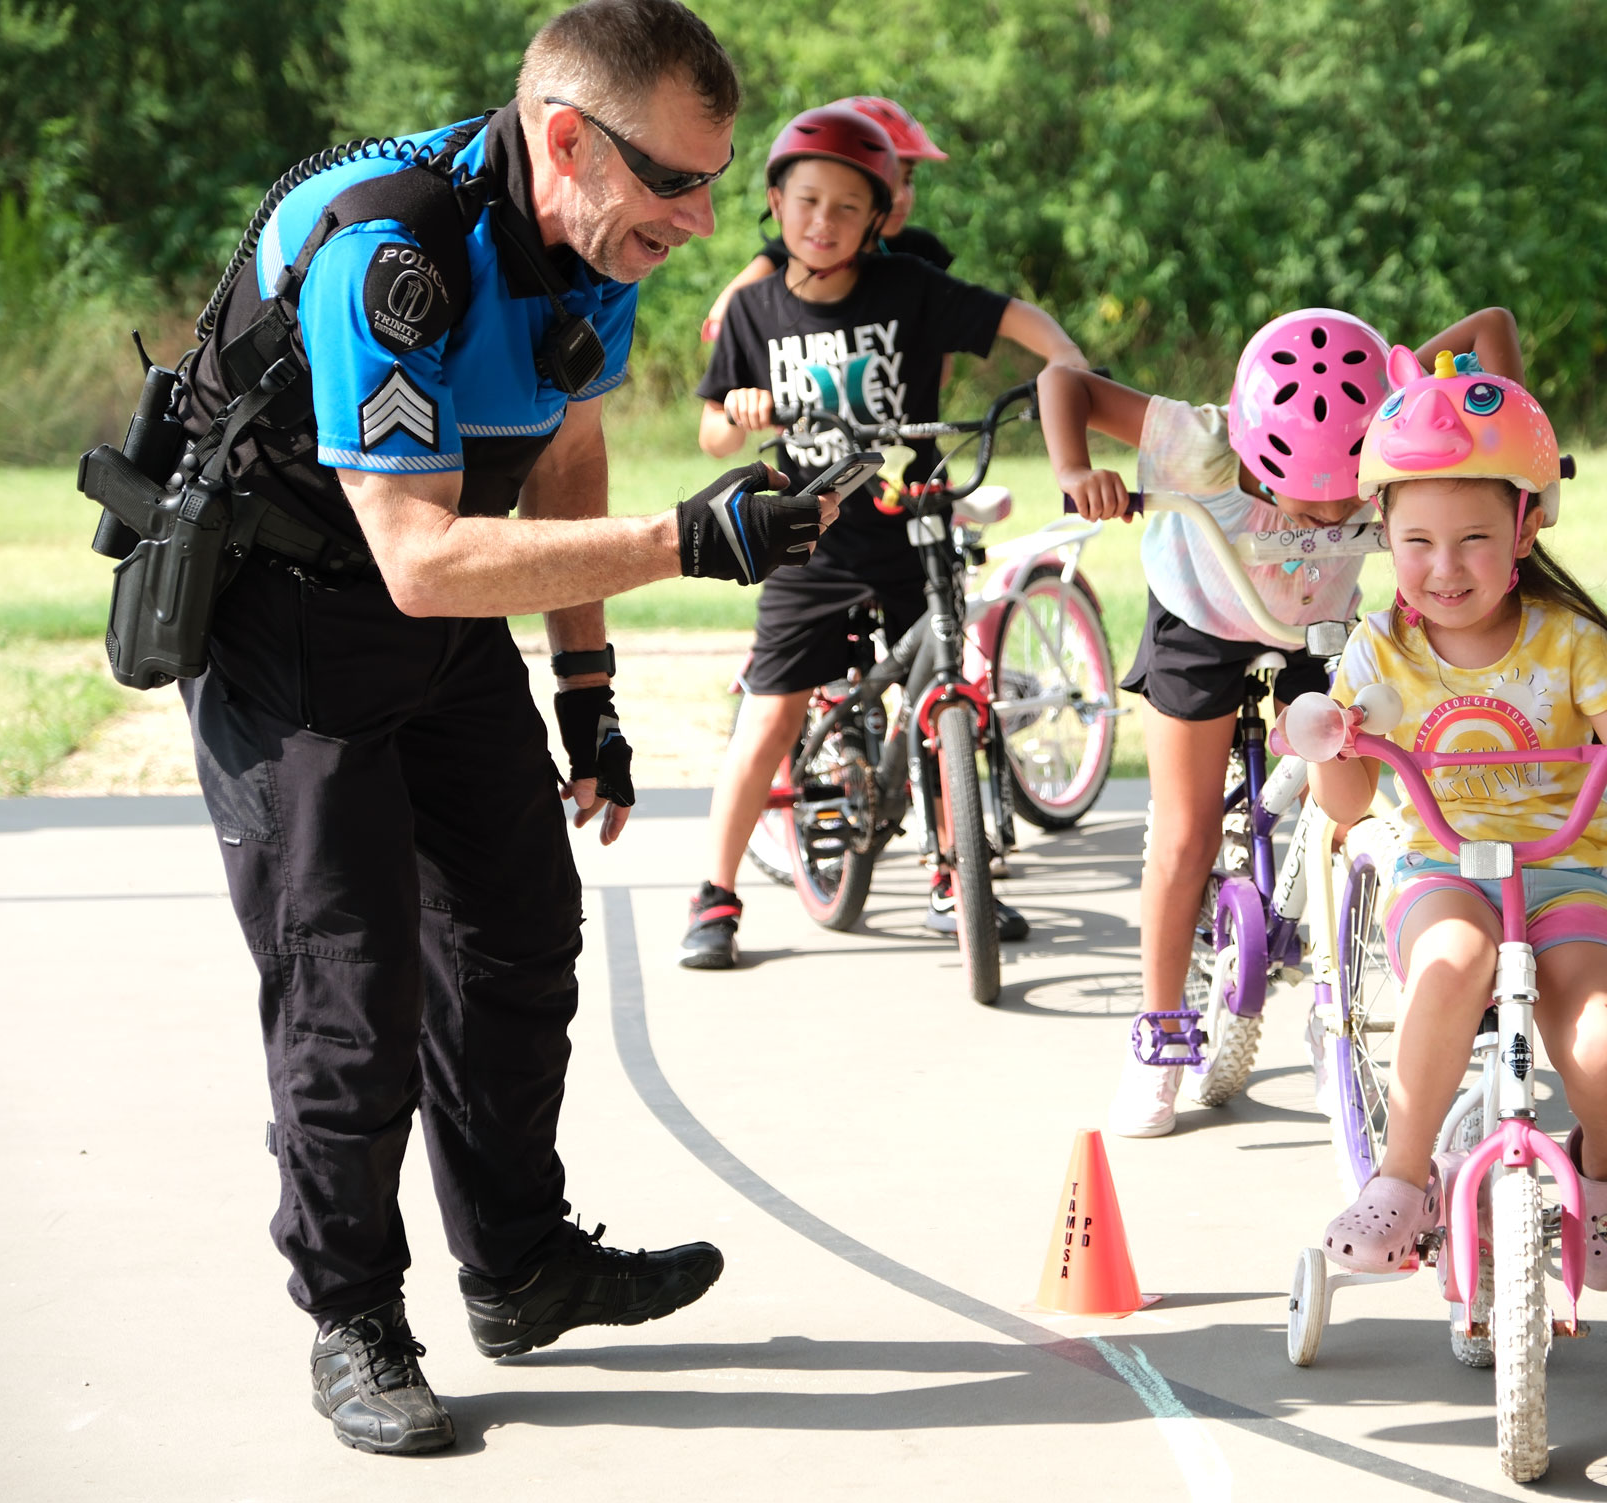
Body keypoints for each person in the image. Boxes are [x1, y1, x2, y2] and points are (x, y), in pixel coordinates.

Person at [174, 0, 836, 1456]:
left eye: (714, 182)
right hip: (294, 620)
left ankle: (520, 1265)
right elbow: (415, 553)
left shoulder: (605, 247)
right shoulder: (391, 251)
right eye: (672, 179)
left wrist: (584, 694)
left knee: (521, 929)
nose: (700, 215)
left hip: (448, 615)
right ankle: (353, 1317)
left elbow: (568, 439)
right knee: (355, 992)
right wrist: (683, 542)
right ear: (562, 139)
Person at [1304, 345, 1607, 1292]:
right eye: (1416, 540)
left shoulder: (1569, 643)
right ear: (1382, 531)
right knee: (1451, 964)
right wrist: (1331, 749)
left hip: (1561, 869)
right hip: (1444, 866)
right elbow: (1346, 808)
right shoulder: (1377, 650)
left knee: (1602, 1037)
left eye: (1472, 539)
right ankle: (1404, 1178)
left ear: (1524, 530)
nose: (1443, 566)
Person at [1040, 308, 1524, 1139]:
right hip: (1200, 619)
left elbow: (1490, 328)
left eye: (1352, 498)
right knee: (1186, 835)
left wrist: (1524, 468)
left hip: (1317, 630)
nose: (1334, 517)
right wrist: (1076, 467)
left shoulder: (1391, 414)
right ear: (1256, 454)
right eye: (1311, 503)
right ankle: (1159, 1036)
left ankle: (1373, 967)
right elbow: (1063, 382)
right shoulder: (1199, 443)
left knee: (1376, 800)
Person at [682, 103, 1089, 969]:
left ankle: (956, 872)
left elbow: (1026, 324)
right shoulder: (755, 311)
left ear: (879, 218)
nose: (822, 223)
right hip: (812, 536)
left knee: (951, 688)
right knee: (771, 711)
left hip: (913, 524)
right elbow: (715, 432)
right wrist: (739, 412)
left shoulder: (910, 289)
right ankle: (714, 892)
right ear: (776, 204)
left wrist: (1070, 373)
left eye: (845, 208)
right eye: (806, 202)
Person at [698, 95, 955, 343]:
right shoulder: (805, 253)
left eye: (907, 180)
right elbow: (720, 317)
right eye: (886, 180)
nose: (899, 196)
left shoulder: (921, 251)